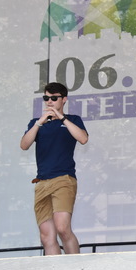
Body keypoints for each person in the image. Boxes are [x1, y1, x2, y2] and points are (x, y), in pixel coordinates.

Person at [20, 82, 88, 255]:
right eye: (46, 98)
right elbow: (24, 145)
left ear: (63, 99)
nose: (49, 102)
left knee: (62, 228)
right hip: (42, 182)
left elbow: (83, 138)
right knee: (46, 236)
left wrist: (61, 118)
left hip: (63, 179)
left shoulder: (73, 120)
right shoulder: (36, 123)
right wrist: (39, 124)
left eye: (54, 98)